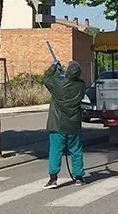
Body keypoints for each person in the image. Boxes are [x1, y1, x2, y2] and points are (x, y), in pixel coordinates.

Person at [42, 60, 87, 188]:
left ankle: (53, 178)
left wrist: (54, 68)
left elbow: (47, 79)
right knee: (76, 150)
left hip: (57, 124)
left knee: (56, 150)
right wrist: (64, 74)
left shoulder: (58, 84)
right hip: (73, 124)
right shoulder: (81, 86)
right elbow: (71, 81)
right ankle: (79, 177)